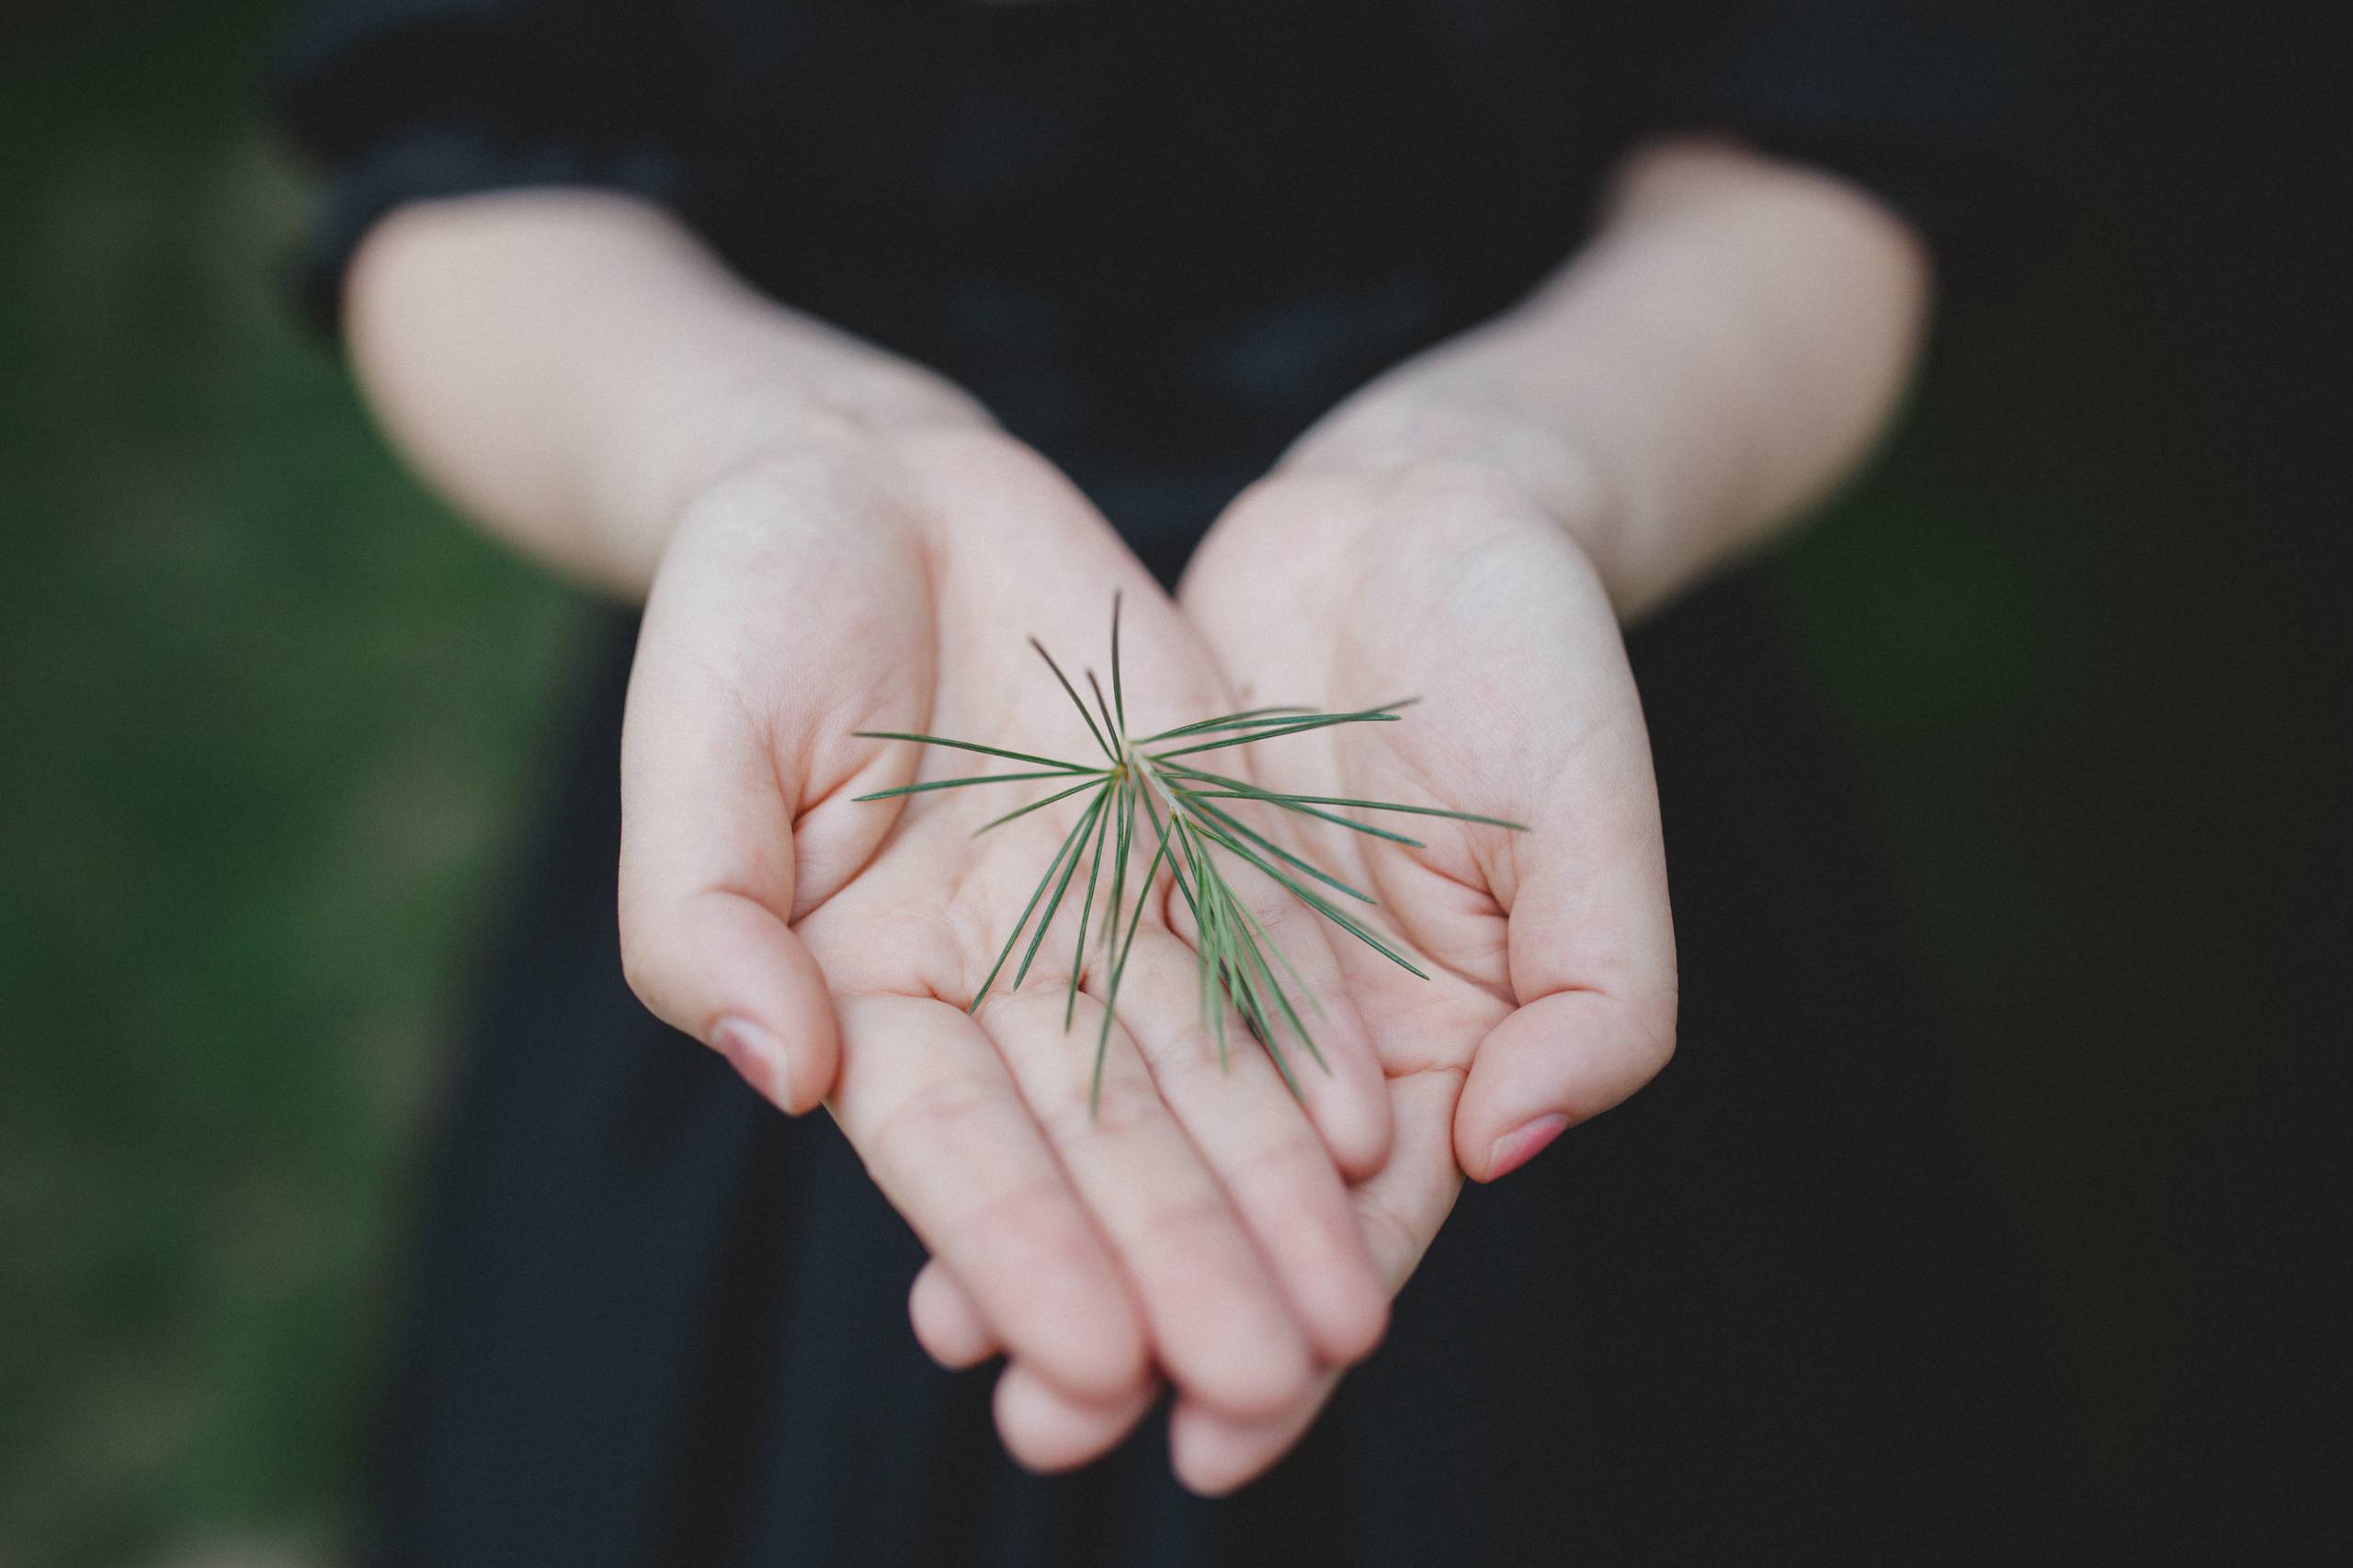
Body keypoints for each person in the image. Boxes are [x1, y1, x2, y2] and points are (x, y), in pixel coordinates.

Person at [275, 3, 2056, 1562]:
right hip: (868, 760)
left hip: (1470, 717)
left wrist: (1518, 465)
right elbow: (462, 160)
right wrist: (771, 448)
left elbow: (1823, 142)